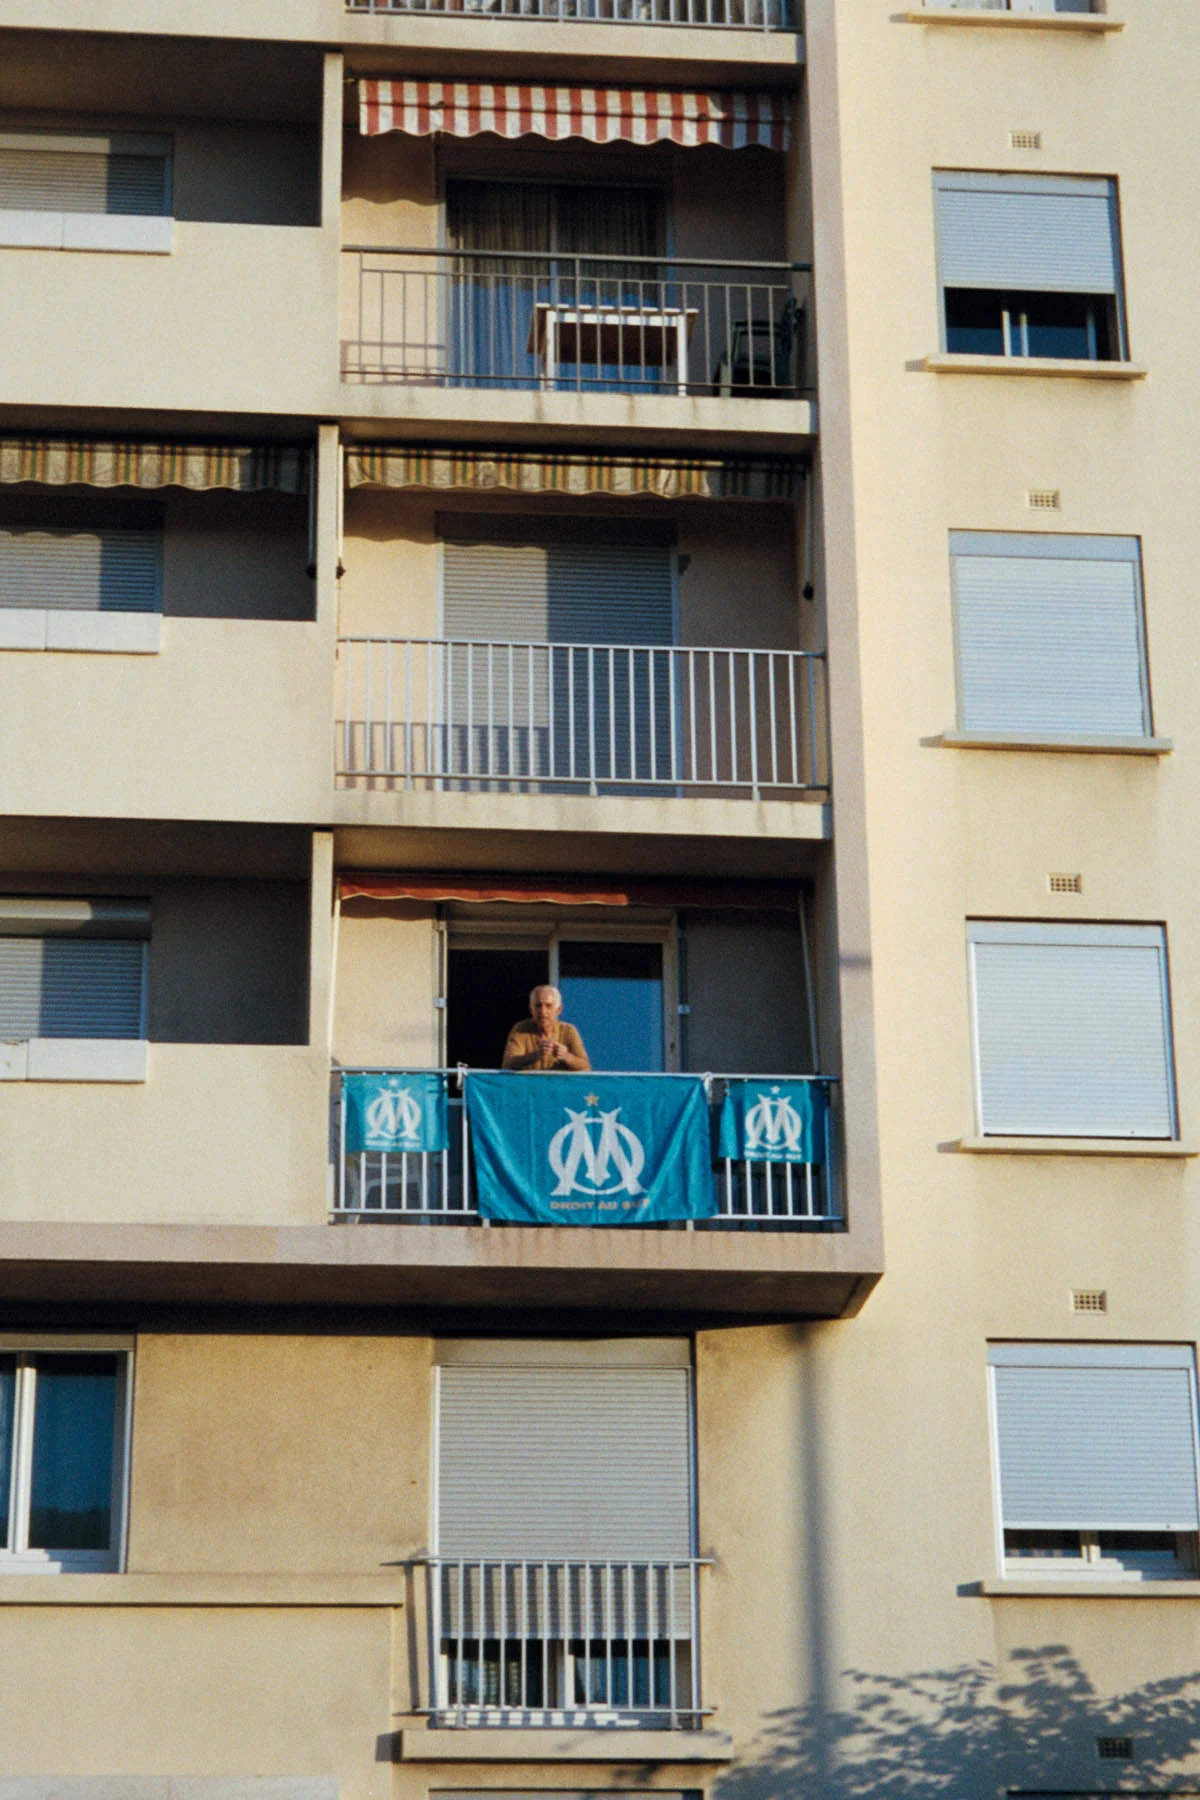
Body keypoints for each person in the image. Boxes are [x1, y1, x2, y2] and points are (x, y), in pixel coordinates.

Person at [502, 984, 591, 1072]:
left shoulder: (568, 1031)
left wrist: (566, 1056)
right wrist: (535, 1055)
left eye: (548, 1006)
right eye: (538, 1006)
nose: (543, 1012)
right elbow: (507, 1064)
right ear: (531, 1009)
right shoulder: (520, 1030)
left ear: (559, 1010)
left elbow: (586, 1067)